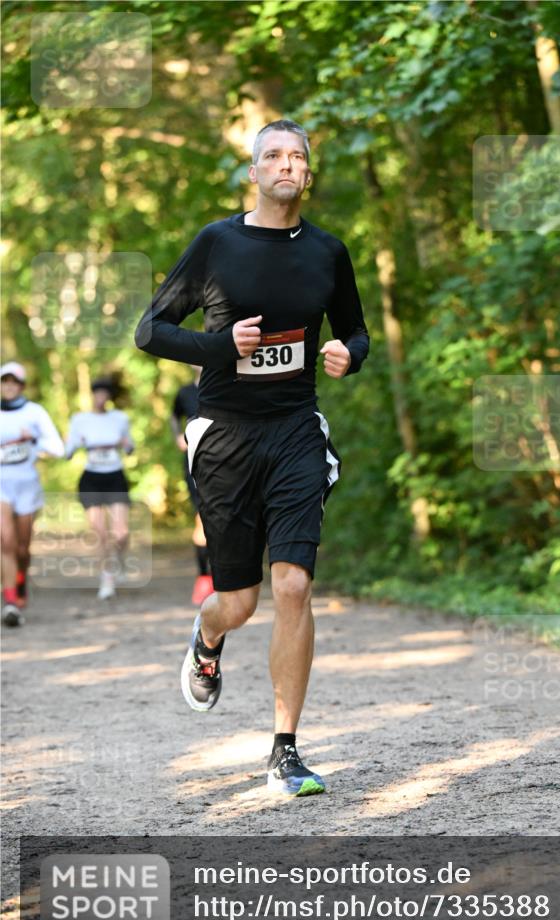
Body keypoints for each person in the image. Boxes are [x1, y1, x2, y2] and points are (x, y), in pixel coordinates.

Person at [135, 119, 369, 796]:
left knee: (293, 584)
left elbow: (355, 329)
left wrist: (348, 354)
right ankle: (206, 641)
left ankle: (285, 750)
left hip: (295, 429)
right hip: (226, 437)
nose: (286, 166)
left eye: (297, 157)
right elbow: (151, 330)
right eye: (273, 156)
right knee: (236, 603)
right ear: (254, 171)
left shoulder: (328, 251)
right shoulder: (217, 243)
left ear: (308, 172)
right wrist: (219, 347)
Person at [1, 361, 64, 626]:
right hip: (2, 483)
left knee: (22, 548)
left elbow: (58, 448)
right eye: (5, 381)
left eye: (14, 382)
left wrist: (34, 440)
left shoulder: (34, 412)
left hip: (27, 484)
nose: (9, 386)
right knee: (5, 542)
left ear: (22, 385)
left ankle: (20, 579)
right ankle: (11, 602)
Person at [64, 375, 134, 600]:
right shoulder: (79, 419)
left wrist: (126, 444)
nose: (101, 397)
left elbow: (130, 447)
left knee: (121, 532)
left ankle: (118, 560)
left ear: (109, 397)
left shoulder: (120, 418)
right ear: (92, 395)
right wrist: (77, 443)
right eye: (98, 393)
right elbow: (67, 452)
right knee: (101, 532)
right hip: (91, 479)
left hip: (115, 477)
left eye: (105, 393)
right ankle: (107, 580)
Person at [170, 365, 215, 605]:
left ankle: (220, 577)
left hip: (222, 461)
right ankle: (203, 579)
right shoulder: (184, 392)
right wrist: (178, 436)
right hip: (193, 462)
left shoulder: (220, 386)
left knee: (220, 520)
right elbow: (173, 416)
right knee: (201, 517)